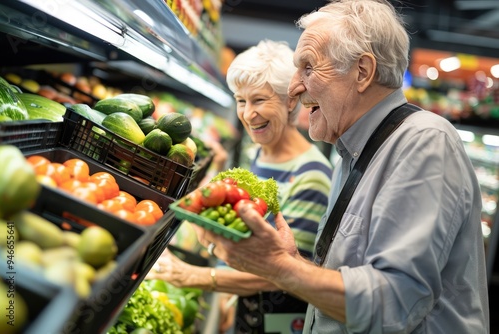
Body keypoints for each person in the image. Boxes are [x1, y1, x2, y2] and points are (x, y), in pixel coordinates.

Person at [191, 1, 490, 333]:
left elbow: (395, 304)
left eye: (308, 67)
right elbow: (350, 280)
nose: (293, 88)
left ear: (362, 72)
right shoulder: (354, 151)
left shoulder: (424, 144)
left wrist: (277, 268)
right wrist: (291, 261)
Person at [148, 40, 333, 333]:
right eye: (241, 101)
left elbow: (285, 273)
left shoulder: (311, 176)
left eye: (259, 100)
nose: (248, 114)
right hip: (243, 311)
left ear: (289, 101)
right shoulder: (259, 153)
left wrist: (194, 276)